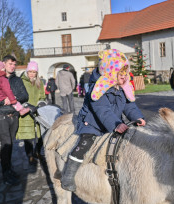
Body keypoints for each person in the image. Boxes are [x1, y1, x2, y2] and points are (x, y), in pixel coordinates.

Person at [60, 49, 146, 192]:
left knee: (129, 141)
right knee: (85, 143)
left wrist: (137, 117)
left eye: (126, 73)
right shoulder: (98, 89)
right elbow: (102, 110)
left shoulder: (121, 87)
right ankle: (68, 175)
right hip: (91, 122)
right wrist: (116, 124)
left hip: (113, 122)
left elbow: (129, 105)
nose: (125, 77)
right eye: (121, 74)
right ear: (111, 74)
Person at [0, 55, 29, 185]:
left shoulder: (17, 80)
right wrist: (2, 101)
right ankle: (6, 173)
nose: (12, 66)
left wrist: (13, 97)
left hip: (14, 115)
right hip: (0, 115)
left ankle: (9, 168)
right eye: (10, 64)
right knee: (6, 143)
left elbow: (25, 96)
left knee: (11, 143)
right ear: (3, 64)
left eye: (14, 64)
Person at [16, 61, 46, 165]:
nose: (32, 74)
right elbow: (18, 96)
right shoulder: (21, 81)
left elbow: (42, 96)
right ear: (27, 71)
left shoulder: (40, 82)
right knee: (28, 137)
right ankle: (30, 156)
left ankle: (38, 153)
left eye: (34, 72)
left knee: (39, 136)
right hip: (25, 112)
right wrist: (25, 105)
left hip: (37, 112)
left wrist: (40, 103)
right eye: (30, 72)